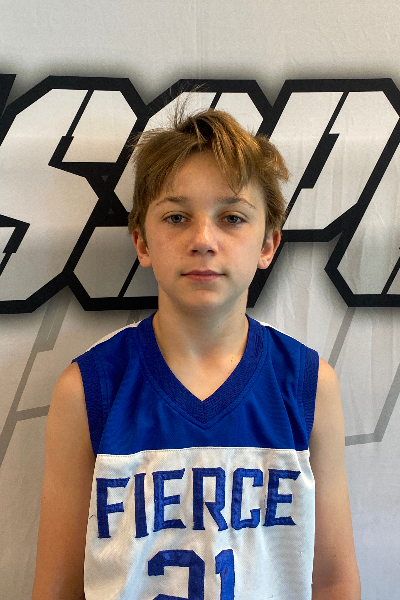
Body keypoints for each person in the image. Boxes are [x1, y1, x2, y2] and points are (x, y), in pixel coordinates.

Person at [32, 108, 361, 600]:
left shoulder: (309, 386)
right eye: (177, 217)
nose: (203, 240)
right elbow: (57, 588)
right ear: (142, 242)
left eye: (232, 218)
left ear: (268, 243)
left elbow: (333, 580)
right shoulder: (87, 391)